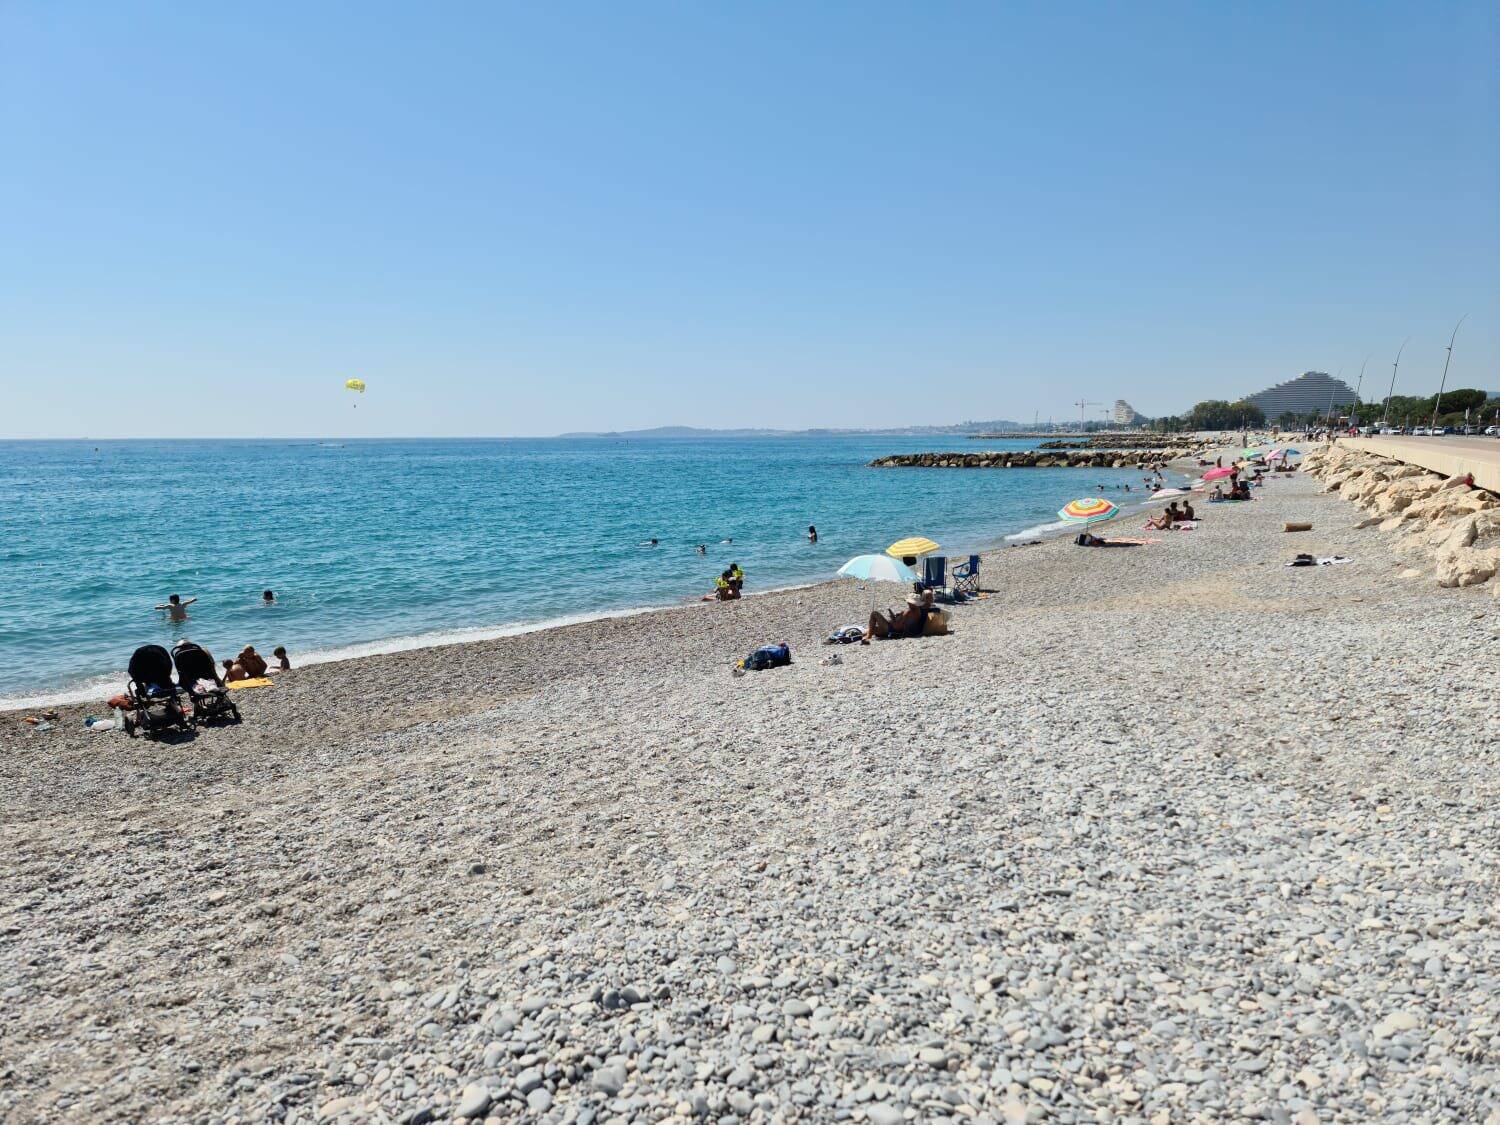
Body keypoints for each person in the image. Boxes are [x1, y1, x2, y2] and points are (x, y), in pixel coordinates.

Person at [861, 585, 932, 643]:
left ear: (911, 603)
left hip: (893, 631)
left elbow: (897, 627)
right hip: (905, 632)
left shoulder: (909, 612)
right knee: (873, 629)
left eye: (909, 602)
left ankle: (868, 637)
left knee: (874, 614)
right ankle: (864, 635)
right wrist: (896, 618)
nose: (908, 603)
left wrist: (893, 620)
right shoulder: (918, 611)